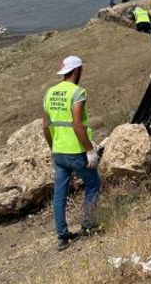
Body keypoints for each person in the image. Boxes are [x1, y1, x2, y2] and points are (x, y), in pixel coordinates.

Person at [41, 55, 101, 251]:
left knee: (60, 194)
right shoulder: (77, 93)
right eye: (81, 70)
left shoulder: (49, 93)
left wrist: (53, 148)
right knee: (93, 183)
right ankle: (88, 223)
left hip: (59, 152)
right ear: (76, 71)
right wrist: (90, 151)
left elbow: (45, 126)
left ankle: (62, 236)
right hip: (75, 151)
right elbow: (77, 124)